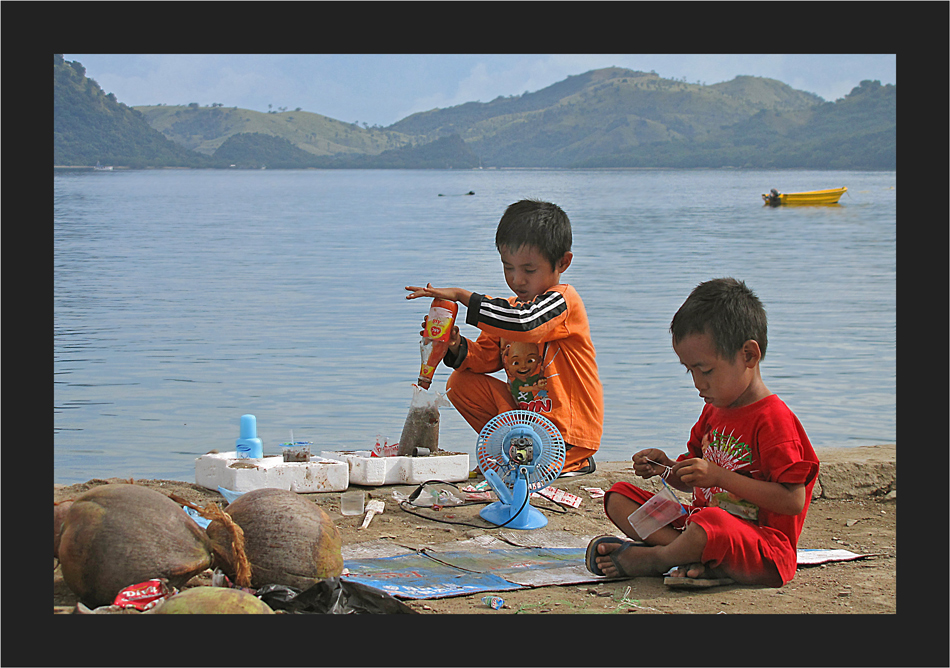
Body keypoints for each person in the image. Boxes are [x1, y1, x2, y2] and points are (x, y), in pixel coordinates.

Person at [586, 278, 819, 587]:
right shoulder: (714, 410)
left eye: (705, 370)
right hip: (699, 526)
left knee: (710, 523)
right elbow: (691, 479)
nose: (697, 383)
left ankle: (657, 559)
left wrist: (721, 477)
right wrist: (665, 467)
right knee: (619, 497)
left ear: (749, 355)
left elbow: (792, 501)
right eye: (689, 370)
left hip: (762, 548)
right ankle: (686, 555)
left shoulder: (774, 420)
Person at [405, 199, 603, 475]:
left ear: (563, 262)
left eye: (528, 270)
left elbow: (527, 324)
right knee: (460, 382)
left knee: (532, 464)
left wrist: (465, 297)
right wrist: (454, 344)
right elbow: (483, 357)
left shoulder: (564, 302)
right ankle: (511, 450)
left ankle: (572, 460)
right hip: (529, 423)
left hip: (567, 431)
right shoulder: (511, 311)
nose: (517, 280)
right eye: (508, 267)